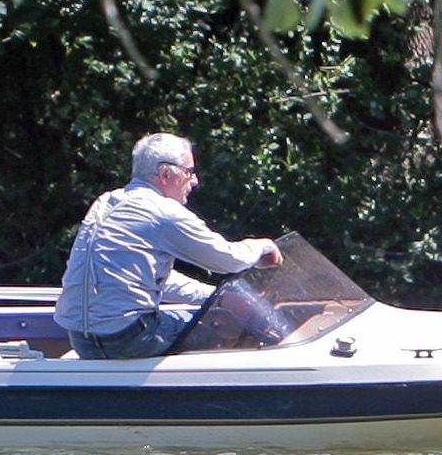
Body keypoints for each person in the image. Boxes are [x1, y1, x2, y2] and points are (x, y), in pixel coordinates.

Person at [53, 133, 281, 359]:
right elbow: (228, 260)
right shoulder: (162, 212)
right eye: (189, 172)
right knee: (224, 327)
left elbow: (148, 278)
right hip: (128, 339)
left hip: (83, 340)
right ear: (165, 173)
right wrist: (262, 246)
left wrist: (216, 296)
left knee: (205, 318)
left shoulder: (106, 203)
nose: (194, 181)